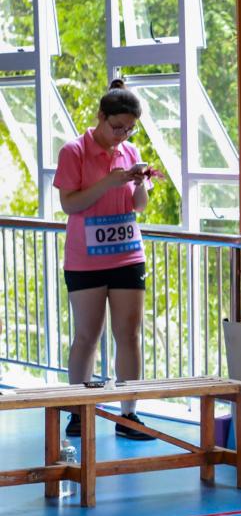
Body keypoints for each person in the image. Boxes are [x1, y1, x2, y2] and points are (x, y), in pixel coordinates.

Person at [53, 78, 163, 440]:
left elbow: (139, 206)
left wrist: (138, 182)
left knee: (129, 334)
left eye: (130, 129)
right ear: (101, 117)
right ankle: (78, 411)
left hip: (127, 253)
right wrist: (108, 183)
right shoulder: (74, 151)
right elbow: (70, 204)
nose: (123, 135)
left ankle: (128, 414)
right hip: (86, 257)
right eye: (118, 127)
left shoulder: (130, 151)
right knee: (88, 335)